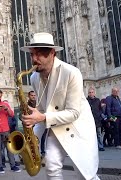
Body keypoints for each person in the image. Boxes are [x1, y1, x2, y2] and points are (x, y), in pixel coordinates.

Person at [20, 32, 99, 180]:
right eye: (32, 54)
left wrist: (42, 117)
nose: (34, 59)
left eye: (39, 55)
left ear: (52, 53)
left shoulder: (71, 72)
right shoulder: (34, 78)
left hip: (77, 127)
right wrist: (32, 139)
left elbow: (74, 112)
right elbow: (42, 110)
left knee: (86, 174)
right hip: (56, 127)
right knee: (51, 166)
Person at [0, 90, 21, 174]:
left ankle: (13, 165)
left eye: (0, 97)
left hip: (5, 129)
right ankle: (0, 166)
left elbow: (11, 114)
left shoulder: (5, 104)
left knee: (9, 148)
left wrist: (7, 109)